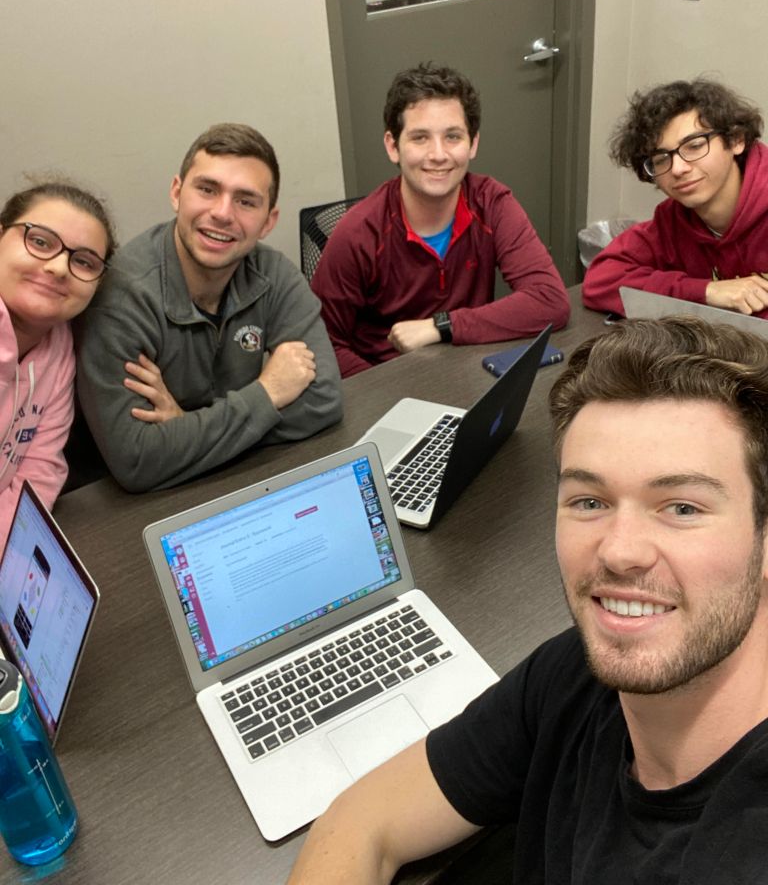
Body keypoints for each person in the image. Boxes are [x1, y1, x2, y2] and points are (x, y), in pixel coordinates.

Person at [287, 316, 768, 883]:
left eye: (682, 508)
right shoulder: (575, 676)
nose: (620, 551)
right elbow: (361, 821)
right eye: (589, 501)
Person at [74, 123, 342, 493]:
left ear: (268, 222)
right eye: (207, 189)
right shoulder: (122, 297)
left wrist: (186, 426)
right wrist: (267, 393)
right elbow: (137, 460)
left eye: (246, 201)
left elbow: (325, 400)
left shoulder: (274, 273)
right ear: (176, 193)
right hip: (128, 508)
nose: (222, 213)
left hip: (235, 484)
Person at [311, 62, 570, 377]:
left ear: (473, 144)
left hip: (467, 374)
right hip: (387, 381)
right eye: (420, 138)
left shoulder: (492, 203)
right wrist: (384, 394)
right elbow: (320, 345)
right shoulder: (358, 232)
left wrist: (442, 326)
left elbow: (550, 300)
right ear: (393, 146)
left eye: (453, 137)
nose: (438, 154)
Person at [582, 78, 768, 317]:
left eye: (694, 146)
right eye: (661, 159)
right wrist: (705, 291)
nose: (678, 169)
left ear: (736, 140)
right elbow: (600, 281)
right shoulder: (672, 221)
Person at [0, 182, 116, 547]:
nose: (59, 267)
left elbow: (39, 470)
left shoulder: (59, 346)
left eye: (83, 261)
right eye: (40, 242)